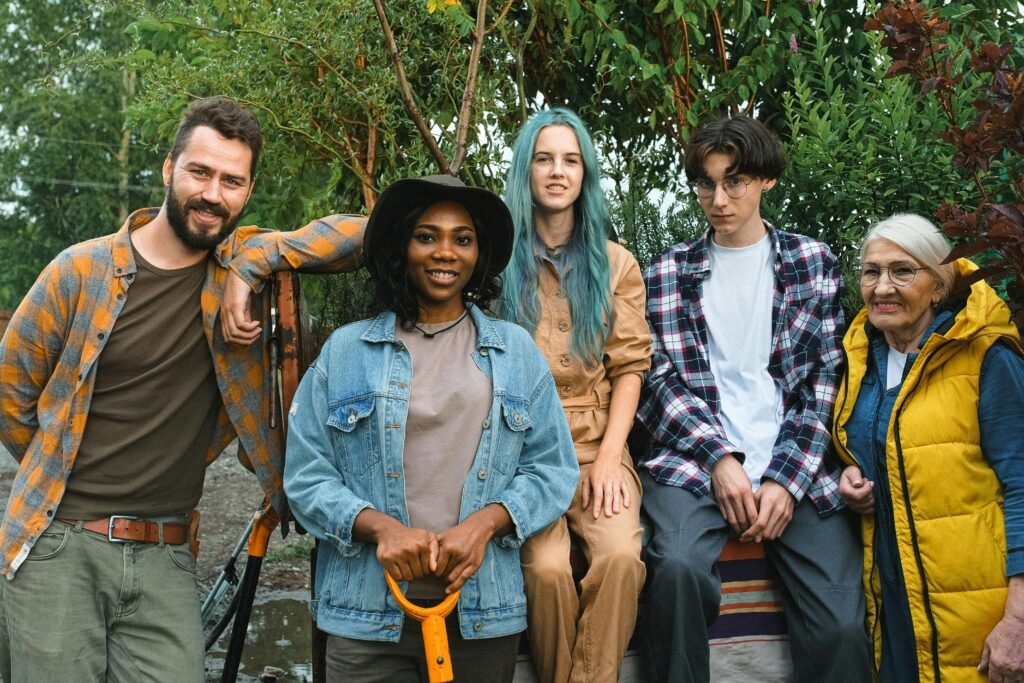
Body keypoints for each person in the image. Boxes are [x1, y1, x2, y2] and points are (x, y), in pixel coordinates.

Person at [0, 95, 364, 681]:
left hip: (167, 551)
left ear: (247, 191)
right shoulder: (79, 272)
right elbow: (10, 396)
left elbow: (370, 235)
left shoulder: (241, 267)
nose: (213, 194)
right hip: (59, 545)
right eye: (200, 172)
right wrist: (60, 470)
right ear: (169, 170)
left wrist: (251, 266)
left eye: (232, 180)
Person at [284, 174, 578, 682]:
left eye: (462, 239)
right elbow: (306, 476)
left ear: (478, 254)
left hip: (482, 612)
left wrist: (485, 523)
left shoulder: (515, 353)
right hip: (364, 615)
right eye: (427, 236)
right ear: (403, 246)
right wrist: (380, 528)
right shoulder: (346, 352)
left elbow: (552, 468)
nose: (446, 252)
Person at [635, 115, 871, 682]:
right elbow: (656, 381)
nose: (718, 199)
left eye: (734, 182)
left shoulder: (812, 264)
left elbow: (823, 383)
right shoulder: (665, 272)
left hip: (799, 468)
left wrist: (785, 481)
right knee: (678, 571)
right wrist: (720, 458)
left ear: (765, 180)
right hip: (692, 463)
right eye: (706, 184)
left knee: (840, 626)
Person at [493, 107, 652, 683]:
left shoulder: (615, 264)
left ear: (584, 174)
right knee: (547, 568)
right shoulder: (495, 262)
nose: (557, 172)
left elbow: (630, 367)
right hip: (521, 450)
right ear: (525, 171)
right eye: (544, 159)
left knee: (618, 556)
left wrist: (612, 457)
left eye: (570, 160)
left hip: (595, 442)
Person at [835, 213, 1024, 683]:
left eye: (903, 271)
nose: (882, 287)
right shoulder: (859, 365)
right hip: (895, 608)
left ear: (938, 285)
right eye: (872, 271)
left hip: (979, 613)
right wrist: (854, 485)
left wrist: (1019, 622)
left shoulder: (986, 357)